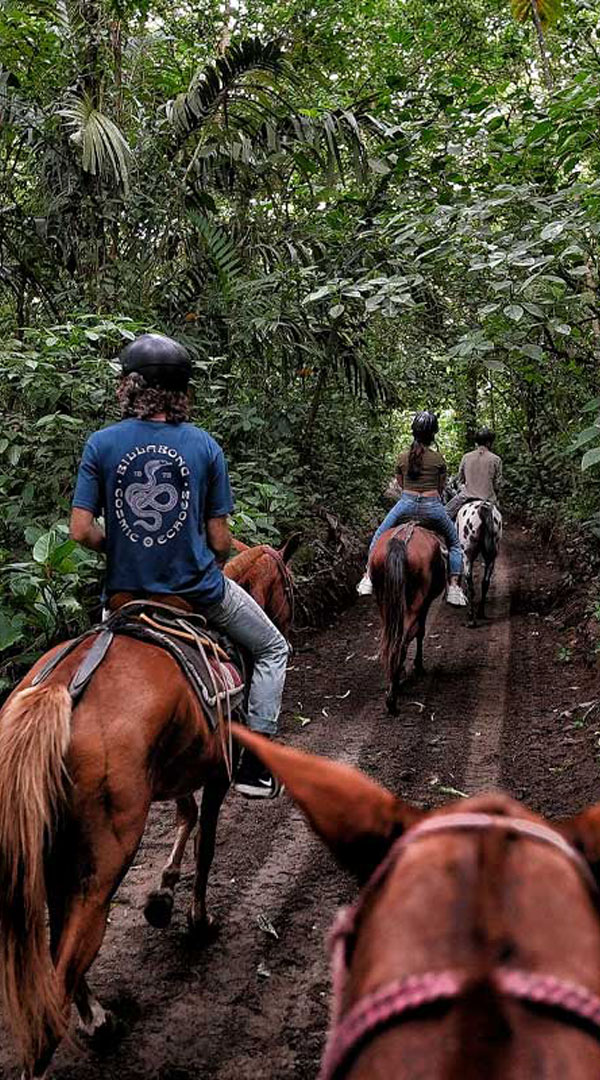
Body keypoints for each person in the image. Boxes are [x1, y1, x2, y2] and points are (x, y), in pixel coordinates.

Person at [70, 332, 288, 799]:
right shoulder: (205, 446)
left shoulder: (101, 444)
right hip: (195, 593)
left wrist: (126, 544)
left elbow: (81, 531)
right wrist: (198, 560)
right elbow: (221, 541)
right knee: (273, 649)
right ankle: (257, 765)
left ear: (130, 387)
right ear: (181, 392)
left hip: (123, 598)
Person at [357, 411, 467, 606]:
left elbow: (400, 484)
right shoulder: (439, 459)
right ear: (433, 434)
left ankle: (367, 577)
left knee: (379, 535)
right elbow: (441, 488)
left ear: (413, 433)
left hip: (405, 504)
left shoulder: (401, 457)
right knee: (455, 544)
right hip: (433, 507)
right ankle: (454, 587)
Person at [446, 427, 502, 520]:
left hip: (466, 497)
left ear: (477, 442)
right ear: (489, 443)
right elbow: (497, 485)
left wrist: (464, 488)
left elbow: (460, 480)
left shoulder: (466, 457)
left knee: (445, 515)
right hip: (488, 498)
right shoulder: (496, 459)